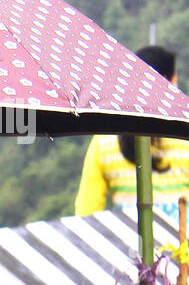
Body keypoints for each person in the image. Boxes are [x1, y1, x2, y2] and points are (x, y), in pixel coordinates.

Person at [74, 46, 189, 218]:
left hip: (129, 242)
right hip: (181, 244)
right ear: (171, 81)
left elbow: (86, 209)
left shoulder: (104, 141)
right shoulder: (183, 133)